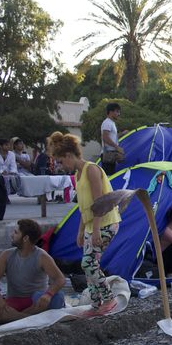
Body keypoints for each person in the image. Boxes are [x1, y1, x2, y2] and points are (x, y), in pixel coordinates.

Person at [48, 131, 121, 317]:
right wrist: (81, 231)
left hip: (106, 223)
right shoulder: (78, 175)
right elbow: (83, 207)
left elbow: (99, 203)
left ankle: (109, 298)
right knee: (88, 265)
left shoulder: (91, 170)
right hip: (91, 225)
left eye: (61, 161)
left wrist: (95, 230)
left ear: (69, 156)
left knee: (89, 264)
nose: (61, 165)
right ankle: (96, 304)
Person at [0, 219, 66, 324]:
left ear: (25, 238)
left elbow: (60, 279)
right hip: (14, 301)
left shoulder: (42, 256)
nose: (12, 235)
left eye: (16, 232)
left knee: (58, 298)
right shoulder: (6, 255)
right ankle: (27, 318)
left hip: (36, 302)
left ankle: (16, 317)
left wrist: (48, 294)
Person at [100, 102, 123, 176]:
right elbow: (105, 137)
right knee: (108, 177)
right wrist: (117, 147)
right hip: (108, 154)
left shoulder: (111, 123)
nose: (118, 114)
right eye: (117, 111)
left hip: (111, 154)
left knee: (111, 175)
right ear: (110, 112)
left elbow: (111, 137)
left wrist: (122, 134)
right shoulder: (107, 123)